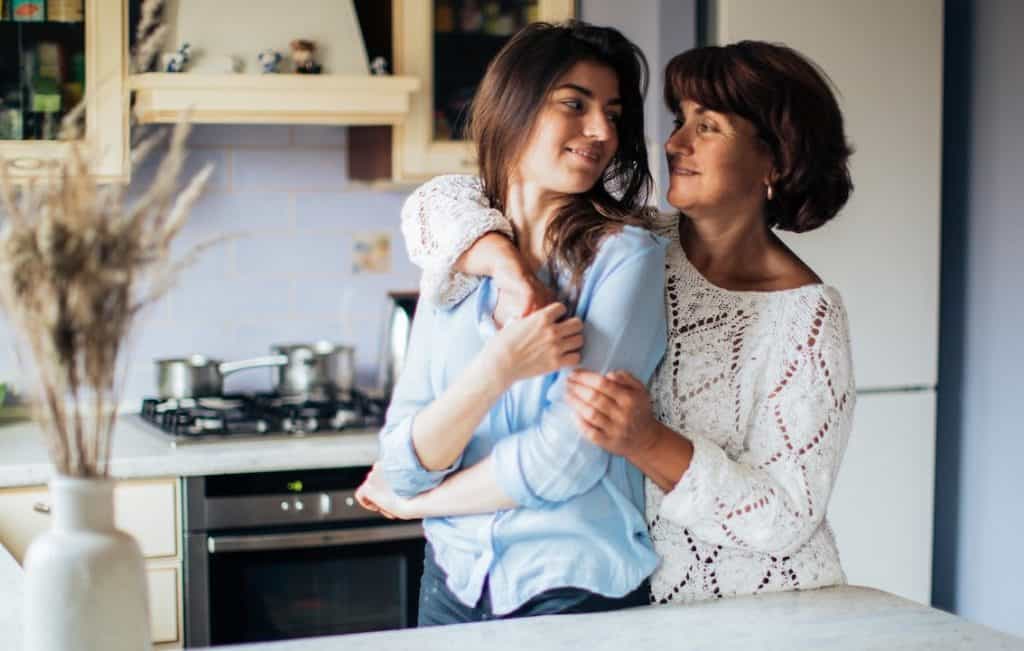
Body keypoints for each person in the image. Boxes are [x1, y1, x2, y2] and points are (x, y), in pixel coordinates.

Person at [359, 40, 857, 606]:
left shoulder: (806, 316)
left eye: (708, 126)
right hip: (639, 599)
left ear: (776, 158)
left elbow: (787, 517)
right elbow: (442, 203)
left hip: (756, 607)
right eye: (679, 120)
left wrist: (647, 441)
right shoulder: (642, 243)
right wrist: (506, 266)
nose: (674, 142)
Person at [368, 21, 669, 626]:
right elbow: (400, 452)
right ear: (515, 103)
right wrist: (499, 368)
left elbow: (568, 458)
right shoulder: (456, 254)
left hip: (573, 586)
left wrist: (419, 503)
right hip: (452, 582)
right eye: (574, 104)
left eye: (612, 113)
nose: (602, 131)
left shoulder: (624, 257)